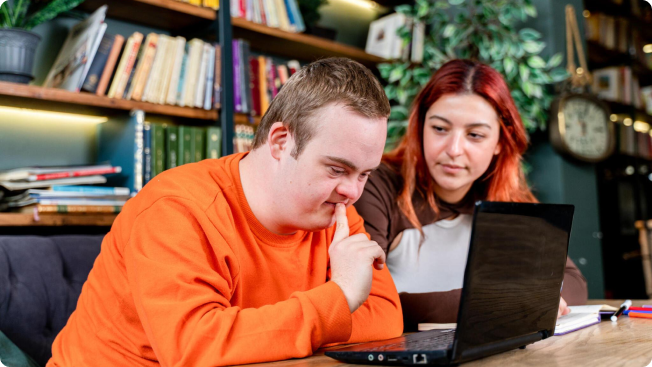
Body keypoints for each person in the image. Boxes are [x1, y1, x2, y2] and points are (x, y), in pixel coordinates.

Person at [48, 58, 403, 367]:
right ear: (281, 142)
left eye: (365, 174)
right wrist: (338, 301)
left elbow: (386, 317)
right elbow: (194, 349)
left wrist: (251, 336)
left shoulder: (334, 210)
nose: (353, 191)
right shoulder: (177, 209)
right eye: (337, 169)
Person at [354, 59, 588, 332]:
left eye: (475, 135)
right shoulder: (377, 184)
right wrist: (500, 301)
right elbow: (366, 298)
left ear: (500, 142)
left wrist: (527, 298)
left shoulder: (505, 197)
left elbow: (573, 282)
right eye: (440, 129)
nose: (454, 149)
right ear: (420, 127)